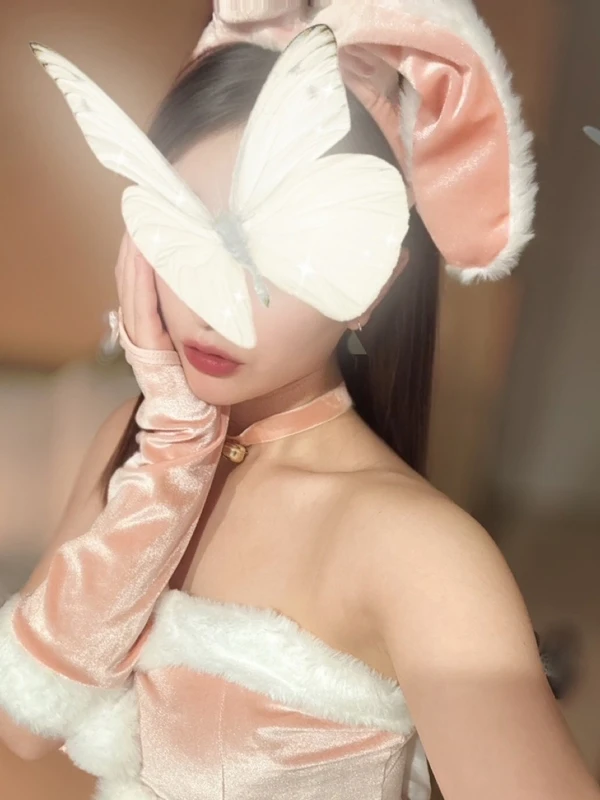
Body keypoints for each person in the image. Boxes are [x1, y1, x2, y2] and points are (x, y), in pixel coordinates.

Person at [1, 2, 598, 799]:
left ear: (372, 287)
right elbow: (26, 724)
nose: (214, 306)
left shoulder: (420, 551)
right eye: (186, 226)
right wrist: (170, 460)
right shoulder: (137, 443)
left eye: (277, 256)